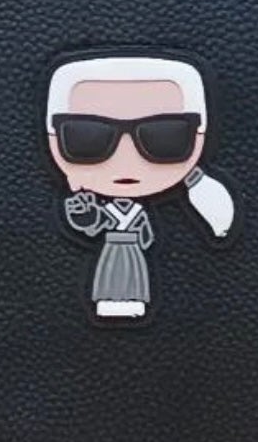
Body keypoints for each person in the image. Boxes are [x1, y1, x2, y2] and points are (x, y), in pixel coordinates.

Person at [46, 54, 236, 320]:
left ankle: (131, 302)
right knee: (110, 278)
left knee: (133, 278)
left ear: (198, 137)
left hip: (131, 252)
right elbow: (96, 224)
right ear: (54, 139)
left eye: (164, 137)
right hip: (113, 250)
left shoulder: (136, 213)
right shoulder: (115, 211)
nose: (126, 158)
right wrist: (85, 217)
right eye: (88, 138)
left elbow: (145, 237)